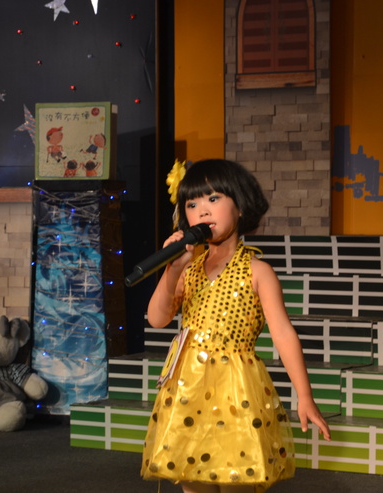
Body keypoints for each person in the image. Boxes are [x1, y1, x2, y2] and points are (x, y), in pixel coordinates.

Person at [141, 159, 331, 493]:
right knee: (191, 476)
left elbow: (283, 332)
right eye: (192, 204)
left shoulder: (258, 271)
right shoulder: (188, 268)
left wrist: (304, 395)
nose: (202, 210)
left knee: (235, 476)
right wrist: (173, 267)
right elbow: (158, 318)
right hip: (187, 387)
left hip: (236, 389)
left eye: (213, 199)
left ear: (240, 206)